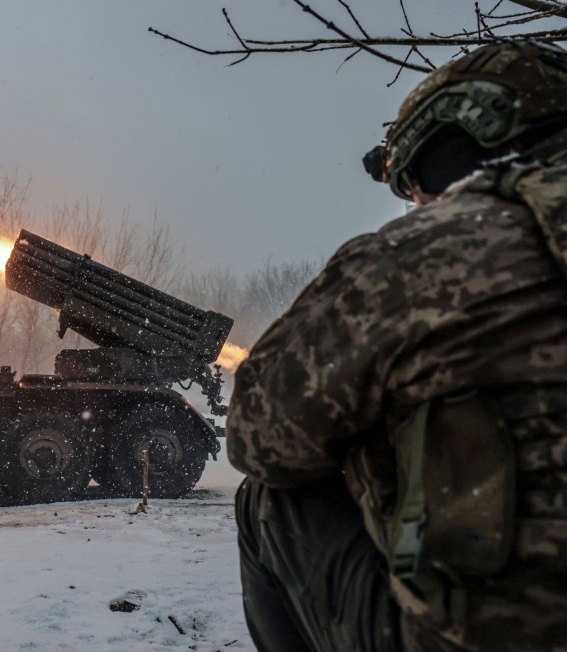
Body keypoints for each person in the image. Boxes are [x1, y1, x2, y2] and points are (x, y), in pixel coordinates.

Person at [227, 41, 567, 652]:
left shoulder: (417, 259)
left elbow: (260, 439)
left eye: (414, 187)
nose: (417, 205)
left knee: (271, 498)